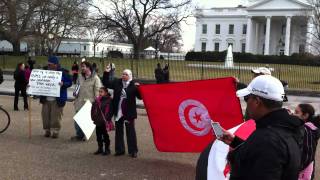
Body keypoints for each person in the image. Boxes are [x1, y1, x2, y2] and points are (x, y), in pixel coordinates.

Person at [219, 75, 304, 180]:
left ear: (256, 101)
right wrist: (236, 142)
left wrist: (235, 158)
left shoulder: (267, 139)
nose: (247, 103)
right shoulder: (287, 128)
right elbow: (268, 155)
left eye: (247, 98)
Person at [102, 69, 141, 158]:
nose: (123, 76)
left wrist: (139, 88)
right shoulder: (117, 82)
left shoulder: (134, 85)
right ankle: (120, 150)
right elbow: (106, 83)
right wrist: (106, 72)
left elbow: (140, 97)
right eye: (123, 74)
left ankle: (133, 151)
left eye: (125, 74)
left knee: (130, 132)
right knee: (119, 131)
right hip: (118, 111)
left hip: (129, 113)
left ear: (130, 76)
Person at [39, 56, 72, 138]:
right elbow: (38, 81)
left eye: (50, 64)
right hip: (46, 98)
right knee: (45, 115)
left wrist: (63, 84)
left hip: (57, 99)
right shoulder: (44, 71)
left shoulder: (63, 72)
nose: (49, 66)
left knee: (56, 116)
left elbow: (69, 82)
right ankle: (47, 130)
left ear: (55, 65)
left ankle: (55, 130)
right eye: (48, 64)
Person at [72, 61, 102, 141]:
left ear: (88, 67)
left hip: (89, 102)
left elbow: (97, 91)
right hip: (79, 101)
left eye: (83, 66)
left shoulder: (95, 78)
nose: (82, 68)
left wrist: (97, 103)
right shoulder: (79, 77)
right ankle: (79, 135)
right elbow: (77, 87)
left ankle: (85, 135)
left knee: (87, 120)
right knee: (77, 120)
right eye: (81, 67)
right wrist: (75, 96)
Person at [294, 104, 320, 180]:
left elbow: (308, 154)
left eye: (296, 112)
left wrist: (298, 169)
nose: (293, 114)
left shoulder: (307, 130)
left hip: (303, 173)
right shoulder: (304, 128)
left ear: (305, 115)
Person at [91, 87, 113, 155]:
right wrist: (93, 117)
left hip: (104, 121)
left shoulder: (109, 101)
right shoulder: (97, 100)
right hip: (98, 120)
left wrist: (107, 119)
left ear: (106, 93)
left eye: (101, 92)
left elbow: (110, 111)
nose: (100, 93)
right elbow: (93, 109)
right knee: (98, 135)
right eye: (99, 91)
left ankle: (107, 149)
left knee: (105, 135)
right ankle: (100, 148)